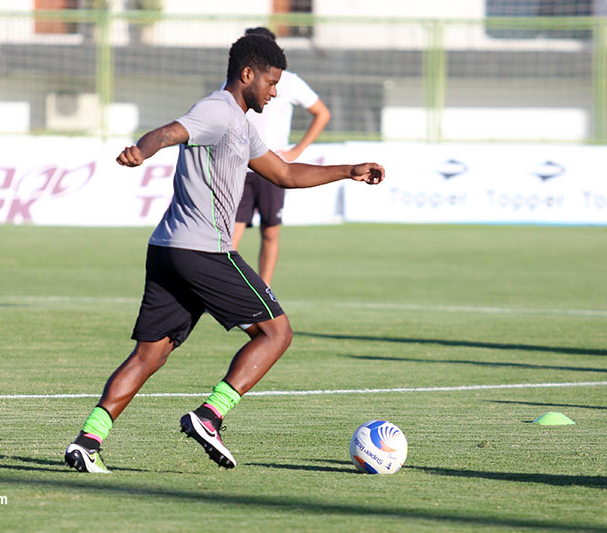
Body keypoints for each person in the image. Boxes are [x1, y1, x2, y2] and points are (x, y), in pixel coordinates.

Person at [64, 34, 384, 473]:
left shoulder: (241, 123)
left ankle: (88, 440)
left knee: (149, 355)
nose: (275, 92)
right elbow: (170, 131)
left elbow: (285, 173)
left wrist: (349, 170)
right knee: (277, 333)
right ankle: (210, 416)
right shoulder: (216, 110)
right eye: (271, 83)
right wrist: (143, 149)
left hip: (169, 248)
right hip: (203, 250)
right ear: (247, 74)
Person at [231, 27, 331, 286]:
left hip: (272, 166)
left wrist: (297, 150)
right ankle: (227, 288)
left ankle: (264, 290)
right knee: (231, 234)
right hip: (240, 166)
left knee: (271, 232)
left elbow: (322, 113)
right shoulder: (238, 79)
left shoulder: (288, 81)